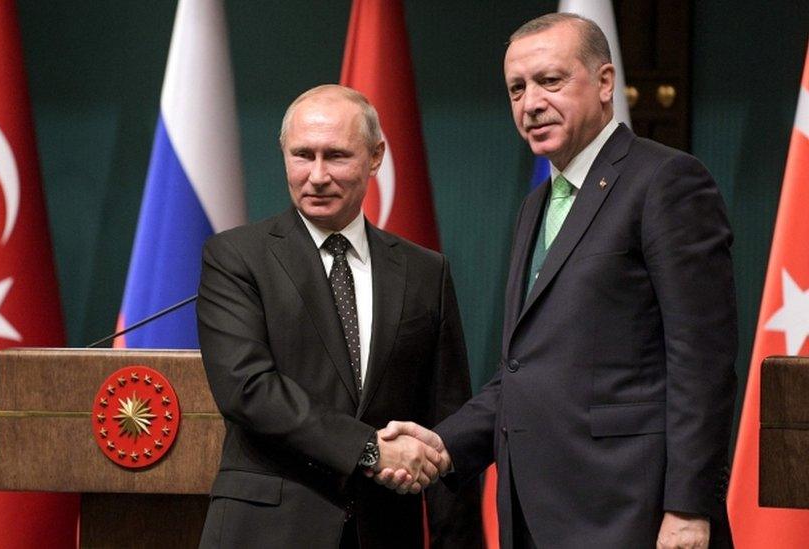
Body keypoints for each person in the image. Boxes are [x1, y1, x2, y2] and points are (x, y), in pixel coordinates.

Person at [377, 13, 737, 549]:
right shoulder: (537, 206)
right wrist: (442, 443)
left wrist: (688, 509)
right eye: (516, 89)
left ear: (605, 82)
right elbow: (525, 371)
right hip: (535, 515)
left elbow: (701, 361)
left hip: (633, 514)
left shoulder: (666, 182)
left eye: (550, 81)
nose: (530, 103)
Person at [196, 84, 482, 549]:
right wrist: (368, 449)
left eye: (337, 156)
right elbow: (248, 389)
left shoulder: (425, 271)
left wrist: (458, 539)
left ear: (375, 157)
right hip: (268, 531)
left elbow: (446, 416)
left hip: (386, 530)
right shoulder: (236, 257)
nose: (318, 175)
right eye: (302, 155)